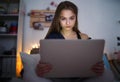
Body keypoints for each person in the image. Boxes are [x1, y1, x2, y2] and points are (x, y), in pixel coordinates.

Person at [36, 1, 114, 82]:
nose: (68, 23)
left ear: (76, 18)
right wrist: (40, 68)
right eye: (63, 19)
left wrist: (99, 66)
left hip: (82, 77)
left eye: (71, 18)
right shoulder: (51, 38)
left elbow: (93, 60)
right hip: (59, 79)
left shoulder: (84, 37)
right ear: (58, 19)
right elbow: (44, 62)